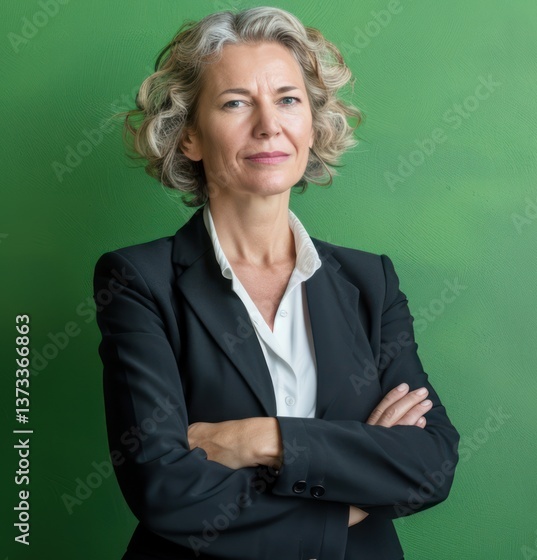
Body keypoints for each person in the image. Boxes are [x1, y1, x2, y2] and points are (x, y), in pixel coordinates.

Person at [93, 7, 460, 559]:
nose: (269, 124)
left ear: (313, 125)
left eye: (288, 99)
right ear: (189, 136)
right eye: (235, 102)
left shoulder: (371, 282)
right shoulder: (138, 281)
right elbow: (164, 487)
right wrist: (348, 496)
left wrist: (263, 439)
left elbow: (430, 464)